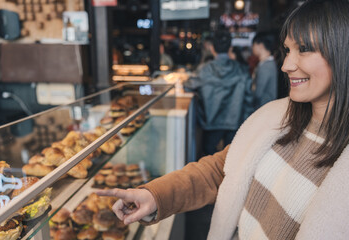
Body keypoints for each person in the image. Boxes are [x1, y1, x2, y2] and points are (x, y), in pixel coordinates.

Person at [98, 1, 349, 239]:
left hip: (212, 124)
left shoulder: (208, 72)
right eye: (287, 50)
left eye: (303, 49)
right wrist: (156, 196)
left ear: (342, 50)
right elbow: (223, 170)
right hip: (232, 124)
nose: (286, 65)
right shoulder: (275, 118)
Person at [184, 30, 253, 156]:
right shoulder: (241, 70)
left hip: (211, 122)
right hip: (235, 122)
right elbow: (249, 99)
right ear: (230, 48)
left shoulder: (205, 70)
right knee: (232, 157)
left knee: (209, 158)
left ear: (212, 48)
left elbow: (188, 86)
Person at [251, 32, 278, 110]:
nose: (252, 48)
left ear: (260, 45)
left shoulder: (266, 66)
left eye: (253, 45)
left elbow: (257, 93)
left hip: (263, 108)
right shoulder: (268, 63)